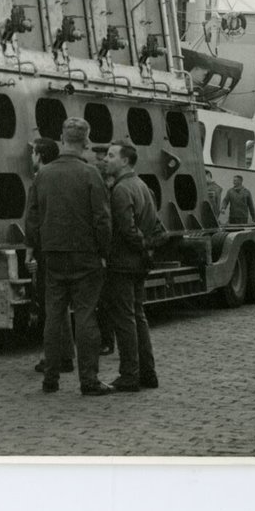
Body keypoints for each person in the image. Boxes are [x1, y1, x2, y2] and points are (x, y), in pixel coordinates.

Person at [25, 117, 115, 396]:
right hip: (85, 255)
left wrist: (36, 249)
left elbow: (32, 218)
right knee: (86, 316)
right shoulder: (91, 174)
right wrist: (104, 252)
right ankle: (88, 380)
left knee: (54, 317)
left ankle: (50, 379)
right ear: (86, 142)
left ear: (63, 139)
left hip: (53, 255)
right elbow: (102, 219)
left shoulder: (43, 175)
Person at [103, 141, 160, 391]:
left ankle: (129, 375)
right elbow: (156, 225)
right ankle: (147, 373)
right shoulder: (142, 186)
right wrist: (147, 250)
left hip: (123, 263)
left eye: (111, 155)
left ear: (125, 161)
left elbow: (126, 229)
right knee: (139, 316)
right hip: (138, 263)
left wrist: (140, 245)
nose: (106, 159)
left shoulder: (121, 189)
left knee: (125, 319)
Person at [30, 138, 74, 376]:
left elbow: (33, 218)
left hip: (46, 248)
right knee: (61, 305)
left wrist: (29, 251)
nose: (30, 157)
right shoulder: (62, 177)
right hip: (63, 246)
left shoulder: (40, 179)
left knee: (51, 305)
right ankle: (65, 354)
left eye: (32, 153)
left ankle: (55, 358)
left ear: (39, 156)